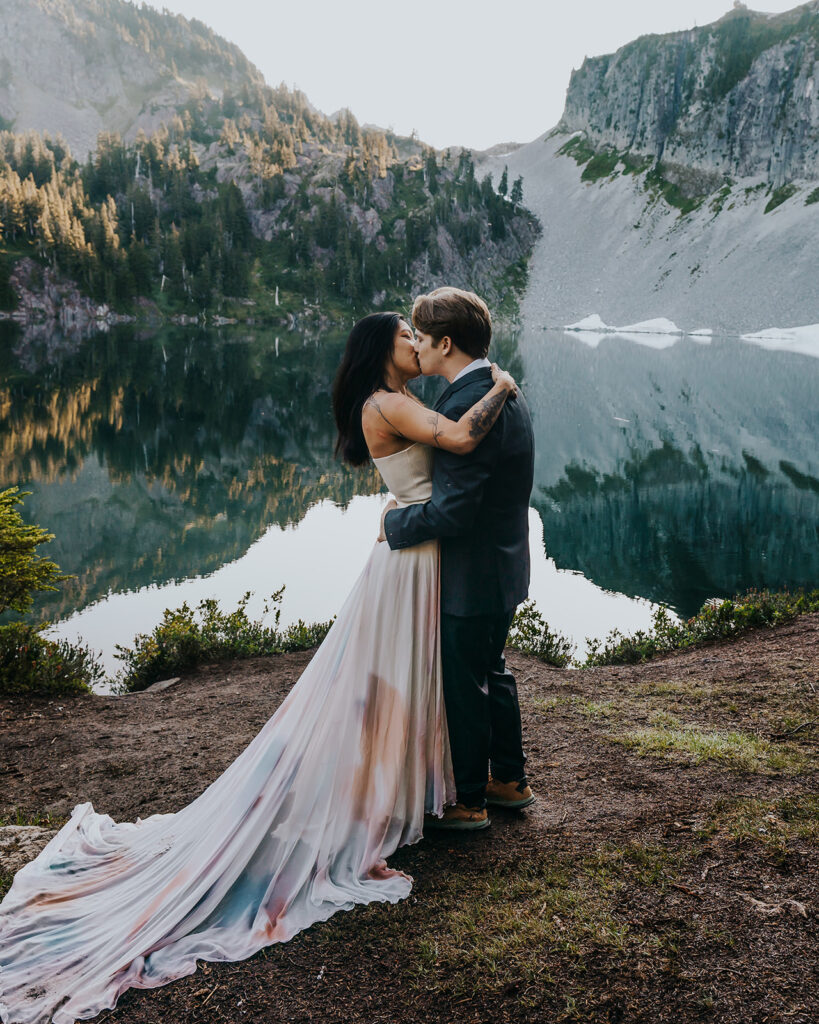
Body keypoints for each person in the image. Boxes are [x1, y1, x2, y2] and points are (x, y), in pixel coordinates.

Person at [0, 311, 517, 1024]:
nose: (415, 340)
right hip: (410, 560)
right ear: (381, 349)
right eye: (404, 333)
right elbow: (459, 439)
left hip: (415, 553)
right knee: (392, 679)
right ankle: (386, 797)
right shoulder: (389, 400)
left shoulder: (396, 399)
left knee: (405, 679)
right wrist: (504, 384)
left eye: (418, 332)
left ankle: (403, 790)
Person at [380, 287, 535, 831]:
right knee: (493, 670)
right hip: (505, 564)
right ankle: (509, 781)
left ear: (445, 343)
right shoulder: (503, 390)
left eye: (421, 339)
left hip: (471, 572)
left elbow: (451, 514)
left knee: (464, 684)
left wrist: (392, 523)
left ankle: (469, 801)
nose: (417, 349)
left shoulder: (466, 403)